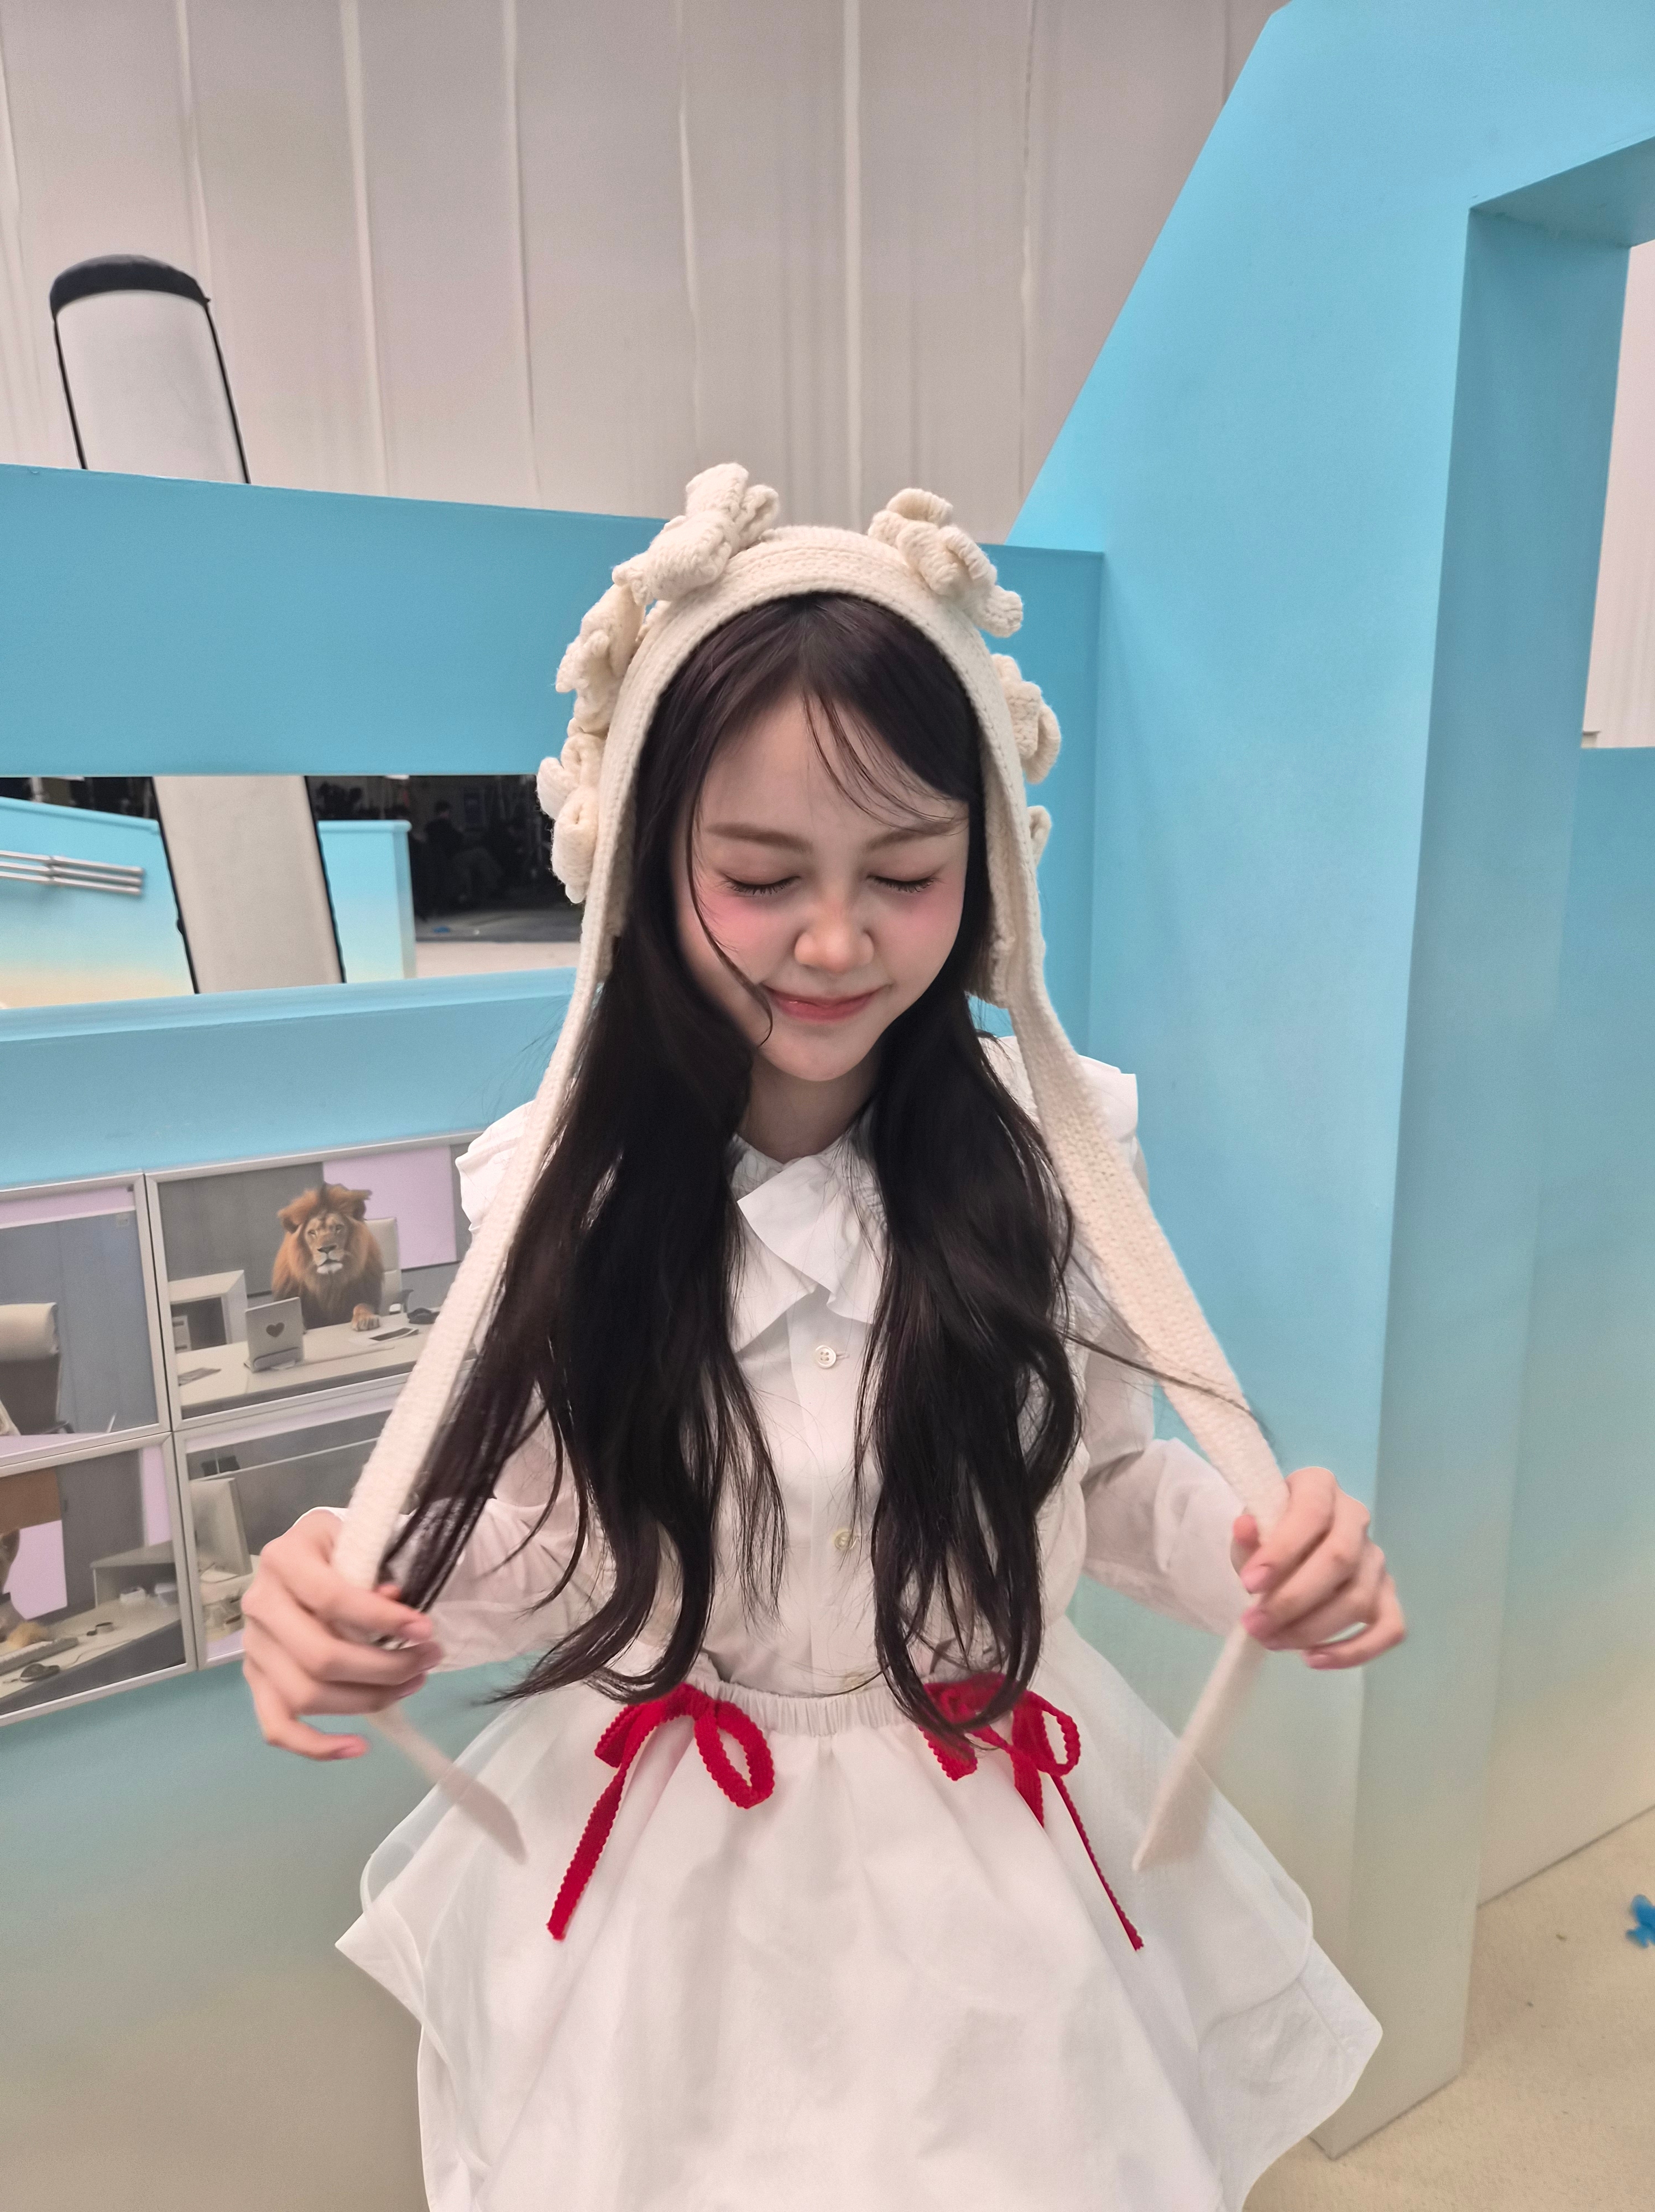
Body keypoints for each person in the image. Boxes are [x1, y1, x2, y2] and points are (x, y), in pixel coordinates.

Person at [242, 469, 1402, 2211]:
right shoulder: (559, 1190)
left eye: (907, 872)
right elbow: (549, 1545)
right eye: (762, 874)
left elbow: (1095, 1489)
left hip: (989, 1845)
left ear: (984, 867)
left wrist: (1260, 1555)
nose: (839, 940)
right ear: (648, 862)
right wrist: (354, 1602)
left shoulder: (1058, 1158)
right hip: (668, 1871)